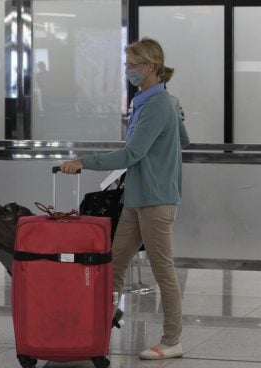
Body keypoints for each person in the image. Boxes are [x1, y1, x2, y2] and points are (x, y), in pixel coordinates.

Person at [59, 37, 190, 360]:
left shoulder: (158, 104)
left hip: (156, 199)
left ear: (151, 66)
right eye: (127, 64)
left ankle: (172, 339)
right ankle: (95, 329)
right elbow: (183, 138)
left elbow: (132, 153)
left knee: (163, 270)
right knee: (114, 264)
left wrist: (84, 162)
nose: (128, 70)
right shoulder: (149, 100)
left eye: (133, 64)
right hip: (137, 196)